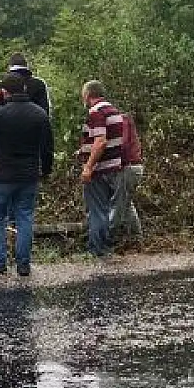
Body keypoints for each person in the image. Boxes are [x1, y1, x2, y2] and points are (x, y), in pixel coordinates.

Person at [0, 74, 54, 276]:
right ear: (24, 90)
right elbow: (47, 148)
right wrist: (46, 170)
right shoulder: (40, 114)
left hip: (2, 176)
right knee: (25, 218)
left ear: (5, 92)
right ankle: (23, 265)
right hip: (29, 176)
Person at [78, 80, 124, 258]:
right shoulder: (114, 112)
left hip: (99, 169)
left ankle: (97, 249)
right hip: (113, 166)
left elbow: (101, 141)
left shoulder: (96, 113)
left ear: (88, 95)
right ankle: (105, 245)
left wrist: (88, 167)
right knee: (105, 209)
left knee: (96, 210)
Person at [110, 111, 144, 241]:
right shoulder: (123, 121)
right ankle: (137, 238)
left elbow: (121, 144)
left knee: (118, 205)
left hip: (128, 168)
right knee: (126, 204)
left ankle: (106, 239)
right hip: (132, 167)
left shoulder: (121, 120)